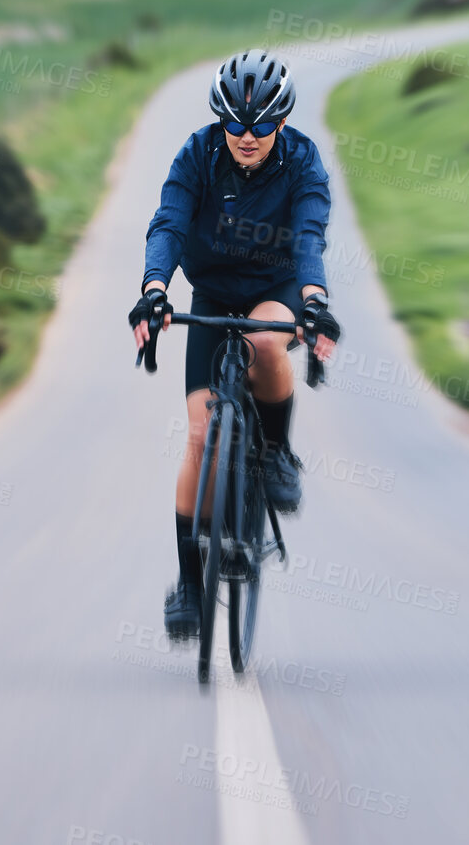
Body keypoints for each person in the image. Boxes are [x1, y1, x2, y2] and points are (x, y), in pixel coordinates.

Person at [128, 50, 341, 640]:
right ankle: (190, 586)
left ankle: (274, 452)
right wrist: (153, 291)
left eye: (263, 125)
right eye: (236, 124)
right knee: (199, 436)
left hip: (275, 289)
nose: (248, 137)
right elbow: (168, 223)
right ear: (221, 118)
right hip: (212, 292)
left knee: (265, 345)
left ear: (282, 121)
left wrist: (315, 302)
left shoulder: (301, 162)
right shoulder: (198, 154)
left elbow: (309, 236)